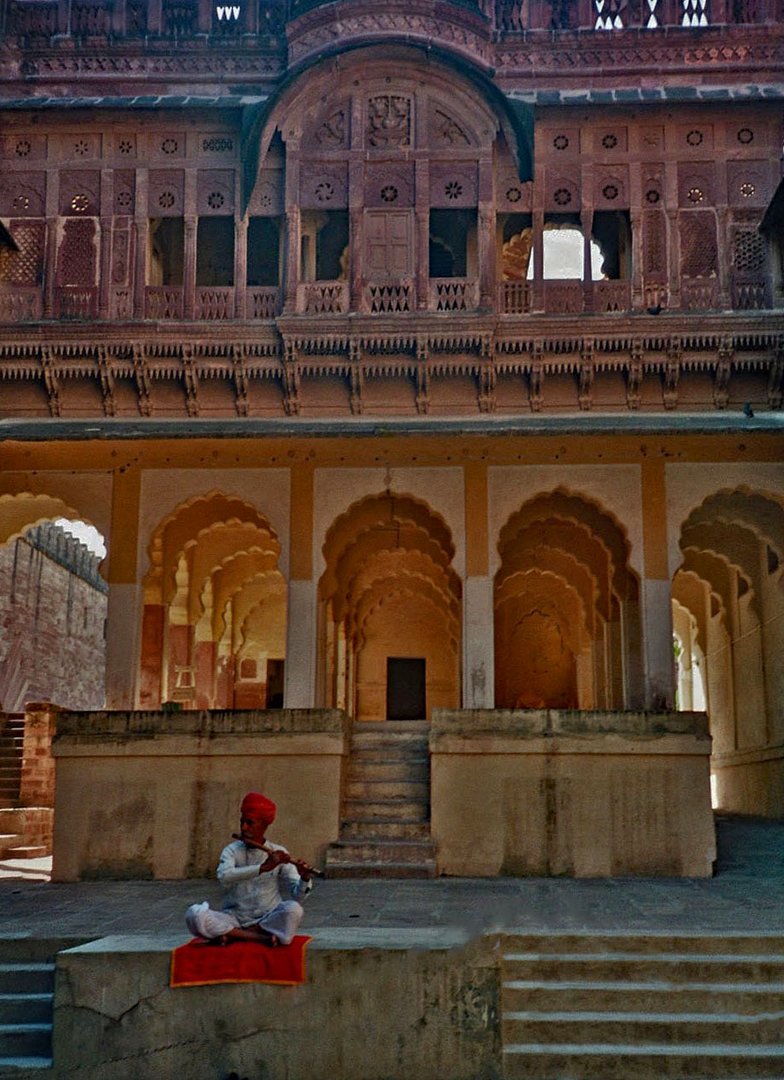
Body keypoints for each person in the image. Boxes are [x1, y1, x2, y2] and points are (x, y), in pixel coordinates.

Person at [185, 792, 314, 947]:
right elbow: (224, 876)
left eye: (250, 823)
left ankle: (233, 935)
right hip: (234, 917)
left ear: (263, 826)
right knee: (195, 914)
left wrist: (305, 878)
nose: (244, 828)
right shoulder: (231, 851)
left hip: (267, 918)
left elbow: (298, 897)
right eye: (242, 822)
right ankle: (259, 938)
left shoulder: (278, 852)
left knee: (294, 910)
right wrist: (263, 868)